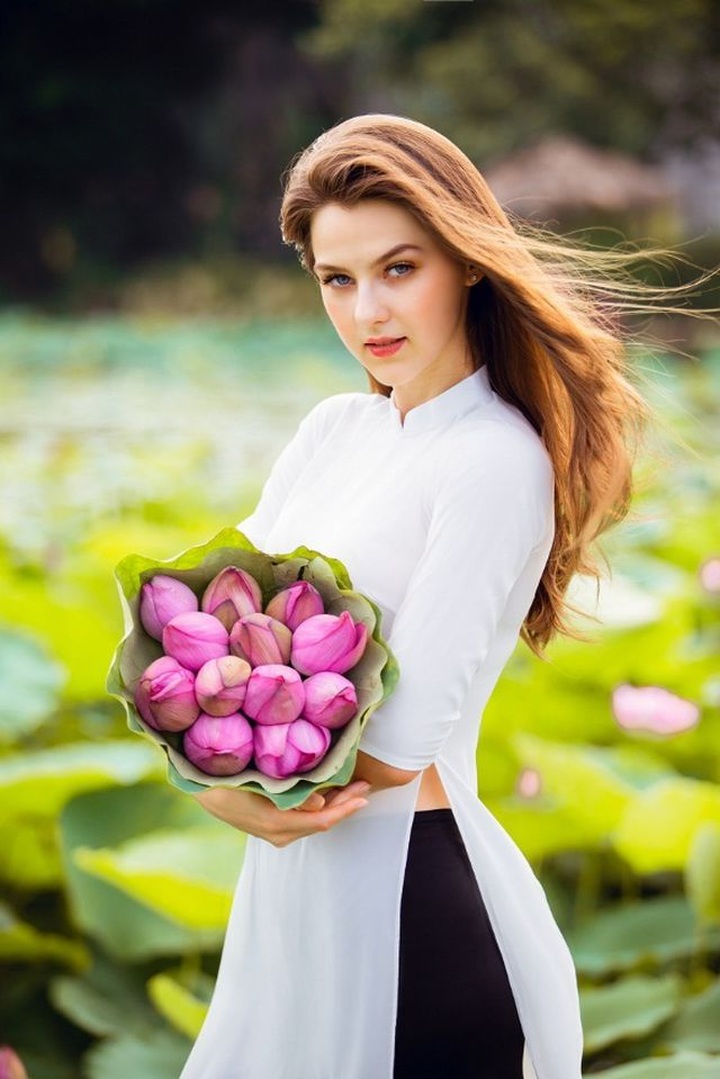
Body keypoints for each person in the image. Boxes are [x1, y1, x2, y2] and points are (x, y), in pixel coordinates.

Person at [180, 113, 648, 1079]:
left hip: (414, 903)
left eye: (400, 269)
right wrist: (211, 778)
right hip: (296, 885)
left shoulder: (494, 460)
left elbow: (395, 745)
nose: (367, 315)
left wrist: (226, 780)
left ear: (467, 261)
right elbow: (212, 637)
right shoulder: (334, 430)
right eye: (337, 280)